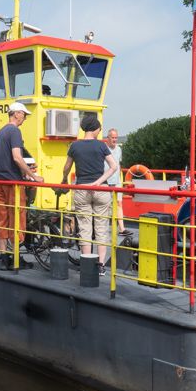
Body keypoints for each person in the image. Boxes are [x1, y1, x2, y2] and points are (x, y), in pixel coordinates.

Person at [62, 114, 117, 276]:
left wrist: (64, 179)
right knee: (101, 227)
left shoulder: (74, 146)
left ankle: (87, 264)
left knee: (85, 228)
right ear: (95, 128)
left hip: (81, 189)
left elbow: (66, 167)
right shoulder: (101, 146)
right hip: (100, 190)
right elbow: (113, 166)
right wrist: (99, 182)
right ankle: (100, 265)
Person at [0, 102, 43, 270]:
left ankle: (3, 258)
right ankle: (15, 259)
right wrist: (33, 176)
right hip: (12, 184)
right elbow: (16, 157)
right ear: (16, 114)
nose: (25, 118)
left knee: (2, 220)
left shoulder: (2, 131)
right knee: (17, 220)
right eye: (24, 114)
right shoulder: (14, 131)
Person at [104, 128, 130, 236]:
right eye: (112, 138)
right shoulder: (103, 149)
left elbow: (119, 165)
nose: (114, 140)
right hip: (105, 181)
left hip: (117, 181)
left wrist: (120, 179)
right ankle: (102, 229)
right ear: (108, 138)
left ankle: (122, 228)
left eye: (116, 138)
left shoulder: (119, 149)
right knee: (104, 205)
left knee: (119, 203)